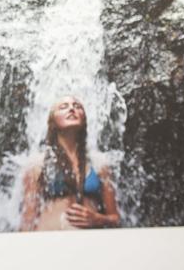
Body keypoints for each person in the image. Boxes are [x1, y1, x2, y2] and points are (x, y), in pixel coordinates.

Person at [19, 96, 119, 231]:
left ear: (84, 119)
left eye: (78, 106)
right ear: (52, 121)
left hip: (89, 244)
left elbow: (115, 219)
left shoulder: (99, 164)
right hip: (48, 242)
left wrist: (97, 218)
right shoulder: (37, 165)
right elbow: (28, 221)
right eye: (63, 107)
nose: (72, 109)